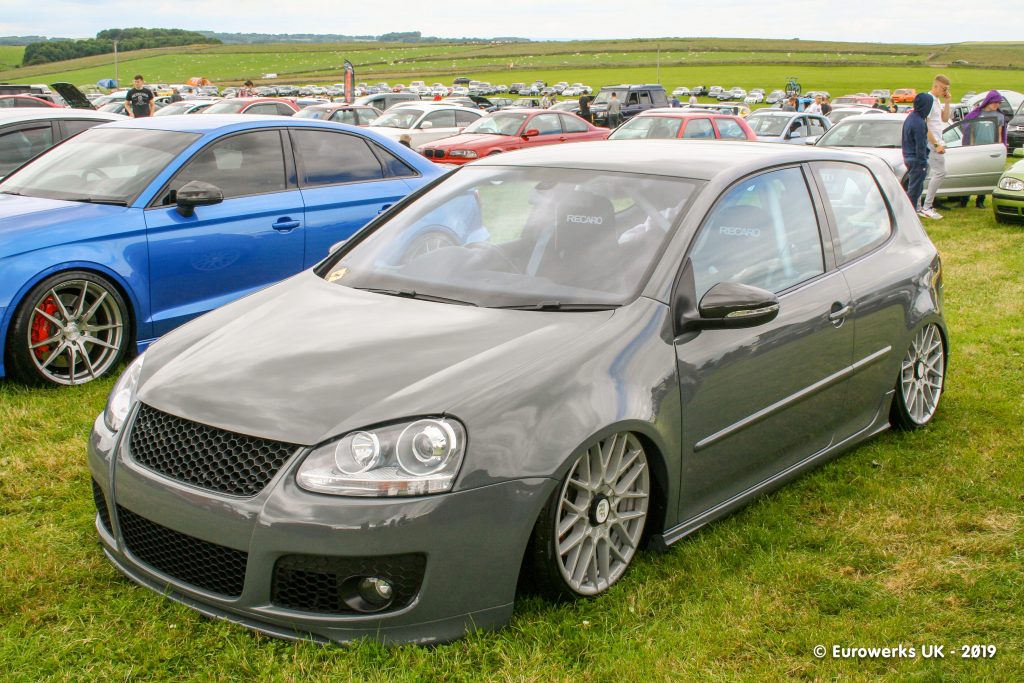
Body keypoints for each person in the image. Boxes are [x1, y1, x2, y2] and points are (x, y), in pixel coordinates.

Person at [958, 90, 1007, 208]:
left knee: (984, 175)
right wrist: (970, 148)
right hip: (976, 149)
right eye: (995, 102)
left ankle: (980, 200)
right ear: (988, 101)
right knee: (969, 175)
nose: (997, 105)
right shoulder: (976, 114)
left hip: (990, 151)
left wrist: (999, 148)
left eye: (998, 103)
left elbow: (1000, 134)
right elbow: (970, 131)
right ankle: (964, 199)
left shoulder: (1000, 116)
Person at [919, 75, 952, 219]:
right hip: (932, 142)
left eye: (947, 89)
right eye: (944, 89)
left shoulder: (937, 100)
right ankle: (927, 206)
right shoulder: (929, 100)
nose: (945, 91)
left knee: (929, 173)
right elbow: (925, 125)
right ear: (936, 86)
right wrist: (936, 144)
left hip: (936, 141)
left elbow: (945, 118)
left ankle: (922, 205)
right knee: (940, 172)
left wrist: (947, 101)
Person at [902, 93, 931, 214]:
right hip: (916, 159)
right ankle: (909, 214)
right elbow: (921, 144)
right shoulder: (919, 122)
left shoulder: (910, 117)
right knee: (914, 190)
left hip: (908, 156)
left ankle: (910, 212)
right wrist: (922, 162)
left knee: (915, 188)